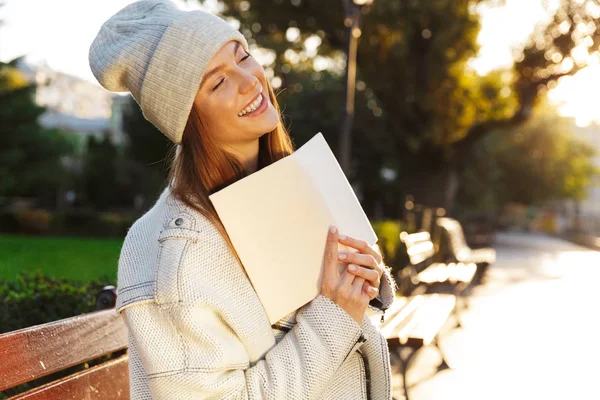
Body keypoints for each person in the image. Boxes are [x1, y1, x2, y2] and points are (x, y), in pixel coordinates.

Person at [89, 1, 398, 398]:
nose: (250, 81)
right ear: (186, 118)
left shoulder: (287, 183)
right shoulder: (176, 253)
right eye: (218, 82)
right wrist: (334, 315)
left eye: (244, 57)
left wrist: (359, 280)